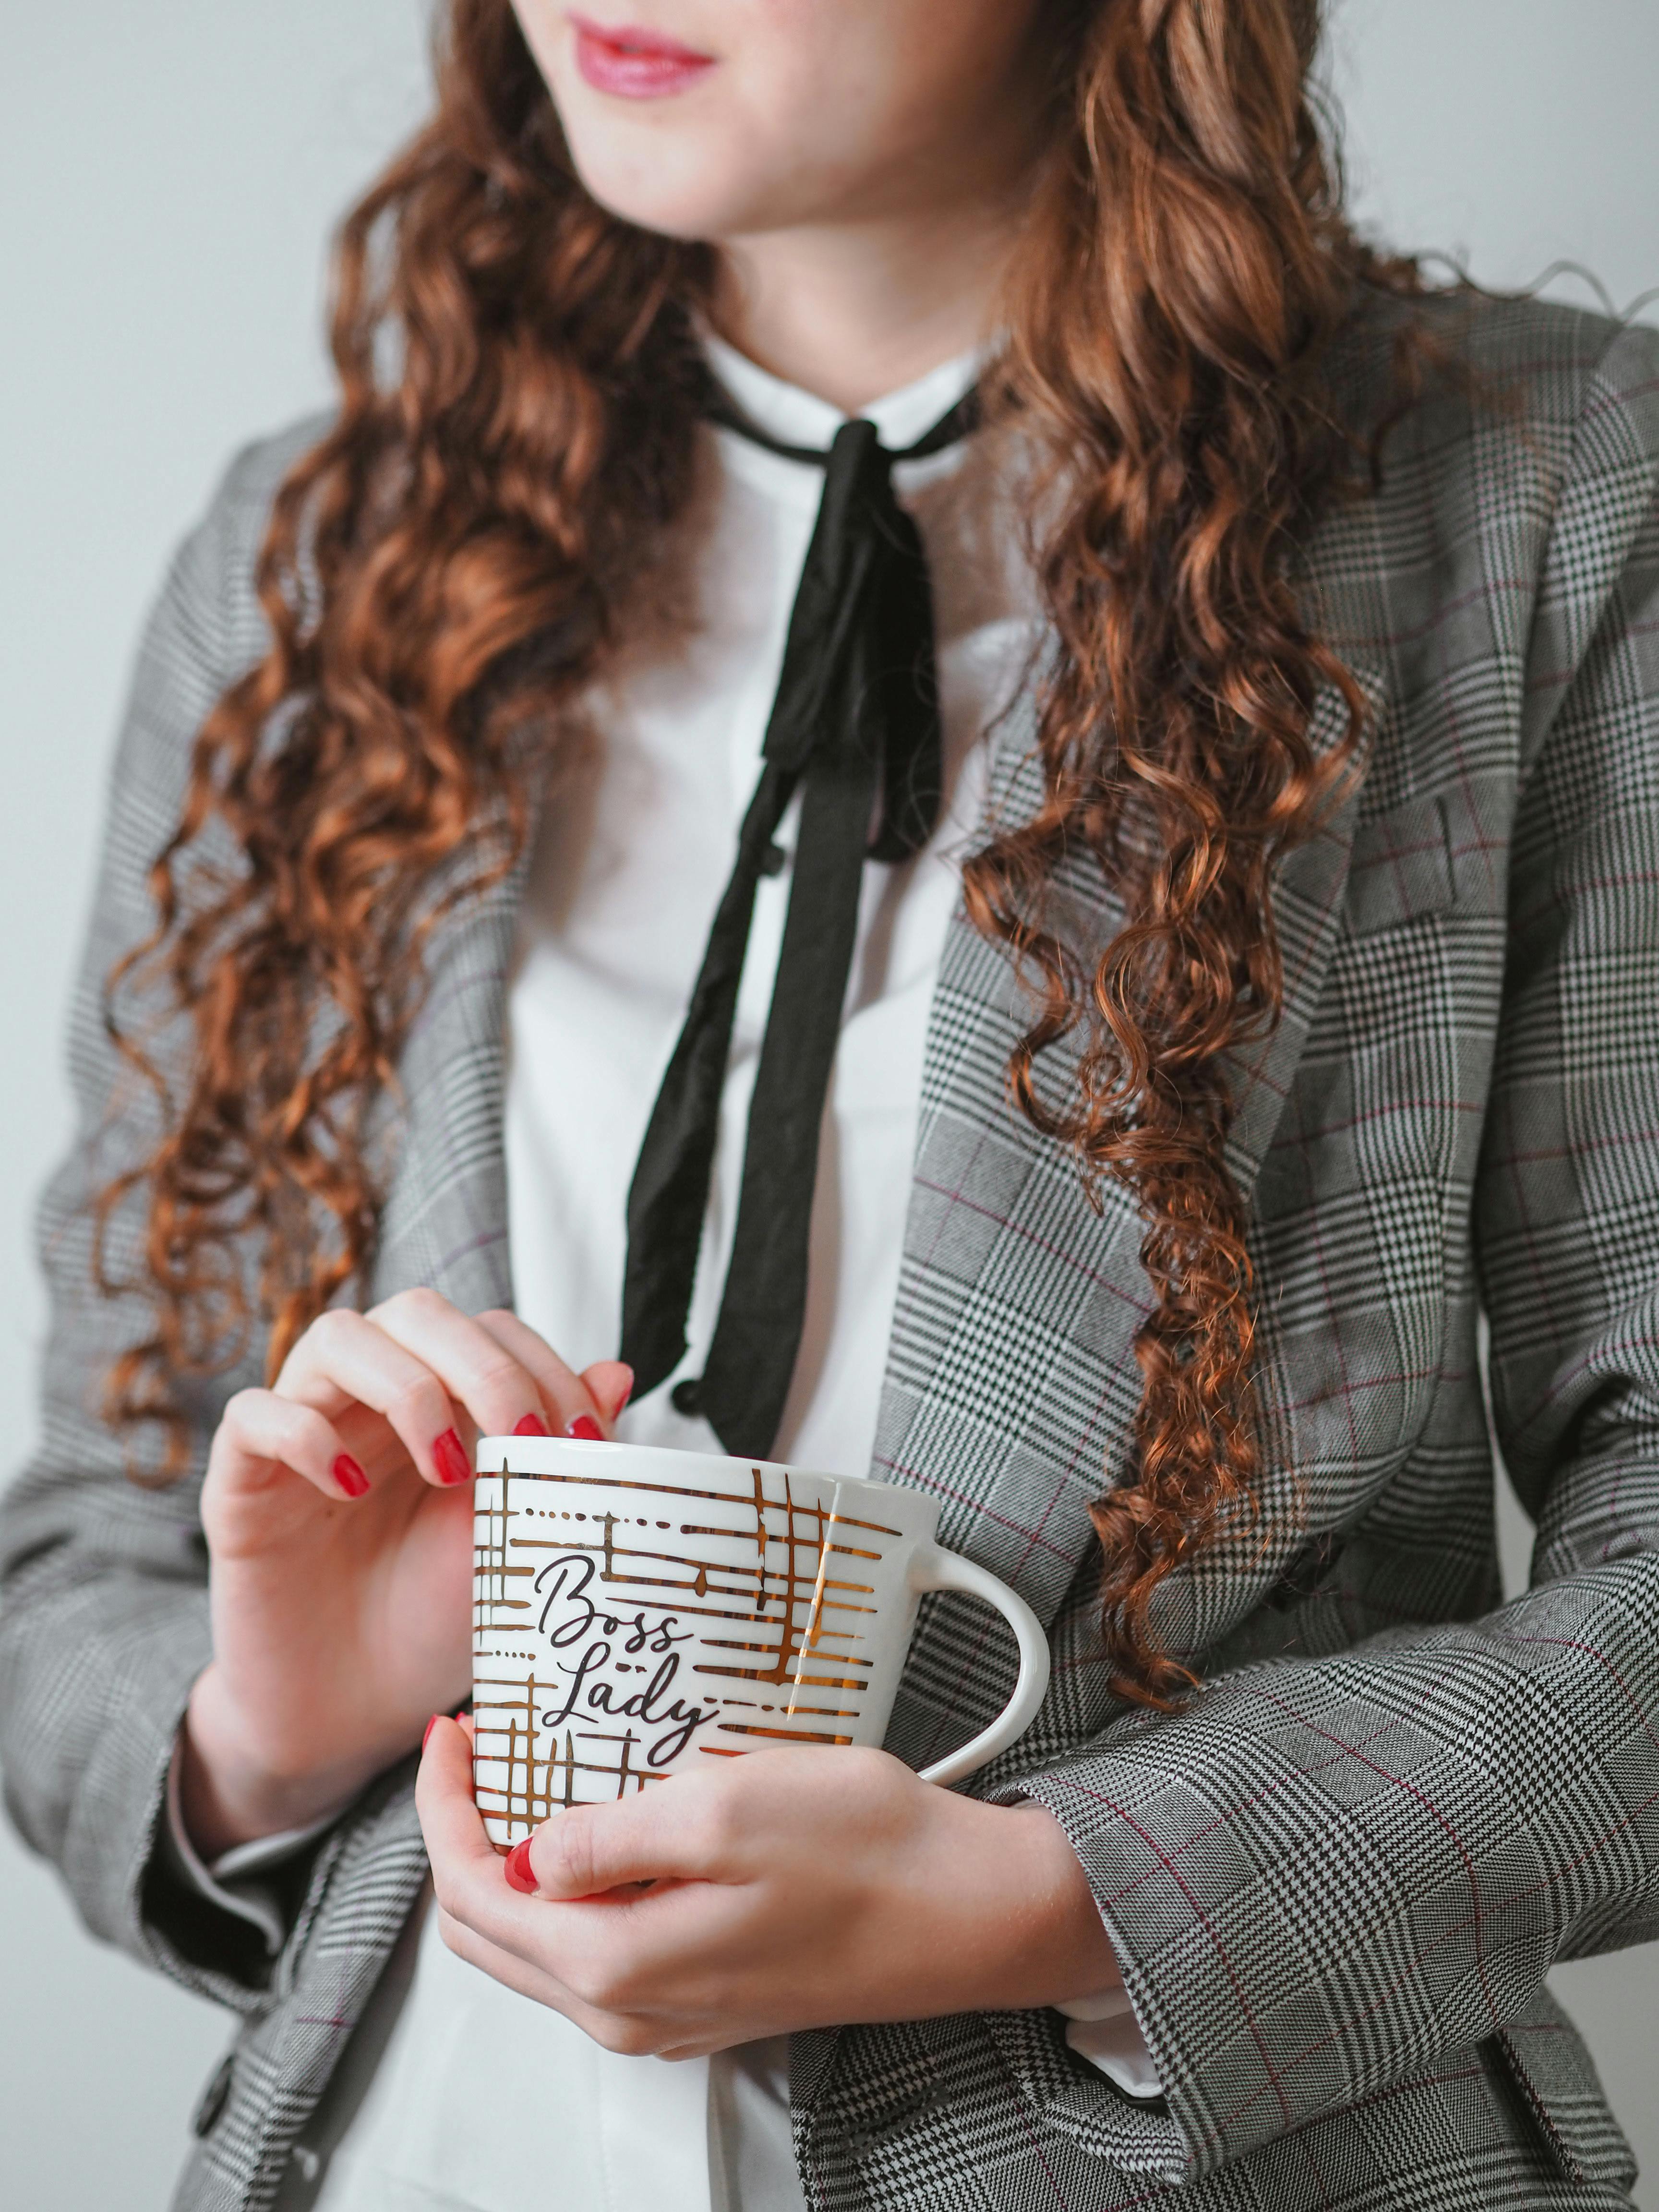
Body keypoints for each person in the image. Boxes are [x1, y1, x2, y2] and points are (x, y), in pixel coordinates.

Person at [4, 1, 1657, 2207]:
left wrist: (1075, 1897)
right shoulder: (315, 569)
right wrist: (277, 1714)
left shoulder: (1545, 510)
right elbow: (85, 1544)